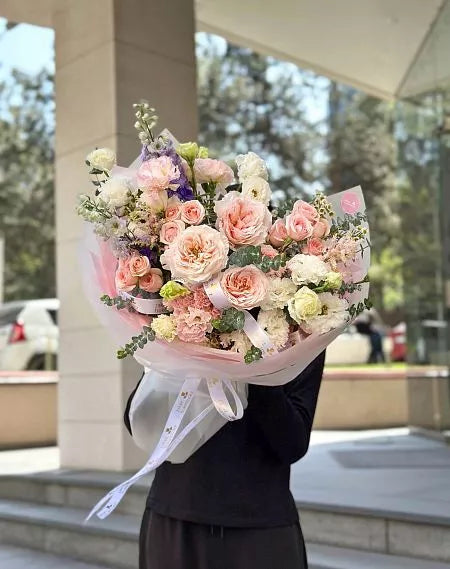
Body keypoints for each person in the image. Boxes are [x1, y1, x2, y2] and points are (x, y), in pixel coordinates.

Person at [124, 352, 326, 569]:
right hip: (176, 515)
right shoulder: (178, 324)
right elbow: (138, 421)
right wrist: (176, 360)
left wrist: (254, 367)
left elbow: (293, 444)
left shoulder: (300, 329)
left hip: (258, 526)